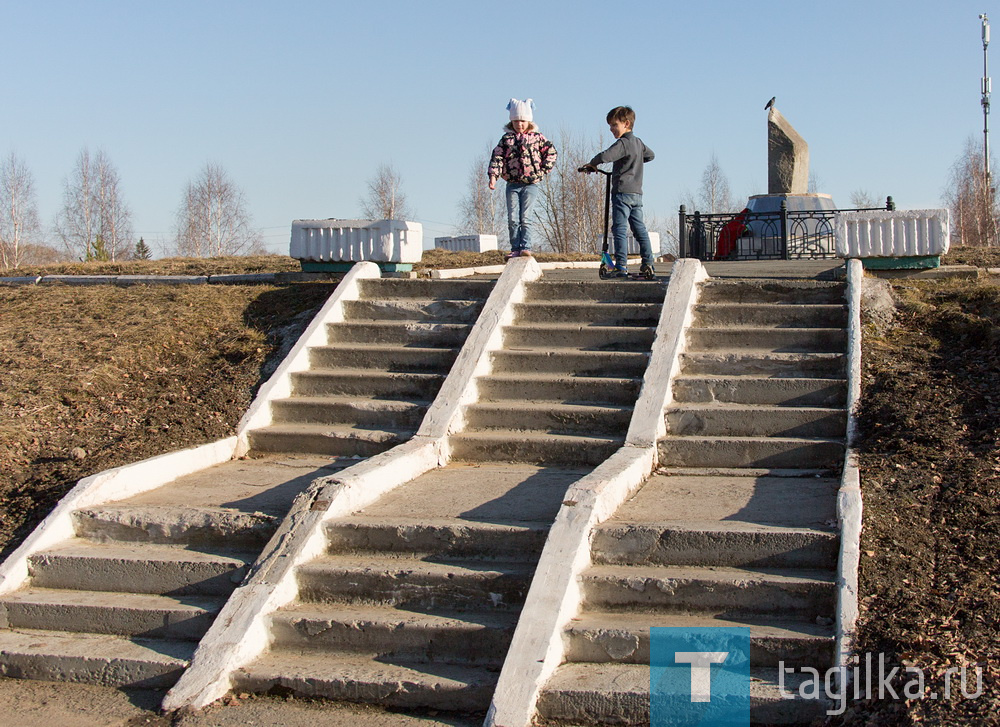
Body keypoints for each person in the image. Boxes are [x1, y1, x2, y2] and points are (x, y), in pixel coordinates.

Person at [581, 106, 655, 279]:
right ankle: (648, 263)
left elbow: (606, 156)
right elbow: (650, 155)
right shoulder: (638, 143)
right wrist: (635, 159)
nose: (611, 129)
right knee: (639, 230)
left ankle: (620, 265)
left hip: (622, 192)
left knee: (619, 229)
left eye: (614, 125)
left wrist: (592, 164)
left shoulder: (623, 143)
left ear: (626, 123)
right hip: (636, 193)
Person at [488, 98, 557, 259]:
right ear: (512, 121)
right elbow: (497, 157)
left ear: (529, 121)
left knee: (526, 216)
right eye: (516, 121)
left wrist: (542, 171)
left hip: (531, 184)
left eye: (523, 121)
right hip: (512, 183)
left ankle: (526, 246)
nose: (520, 124)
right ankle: (515, 247)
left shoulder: (537, 137)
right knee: (513, 218)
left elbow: (551, 153)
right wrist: (493, 177)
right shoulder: (506, 139)